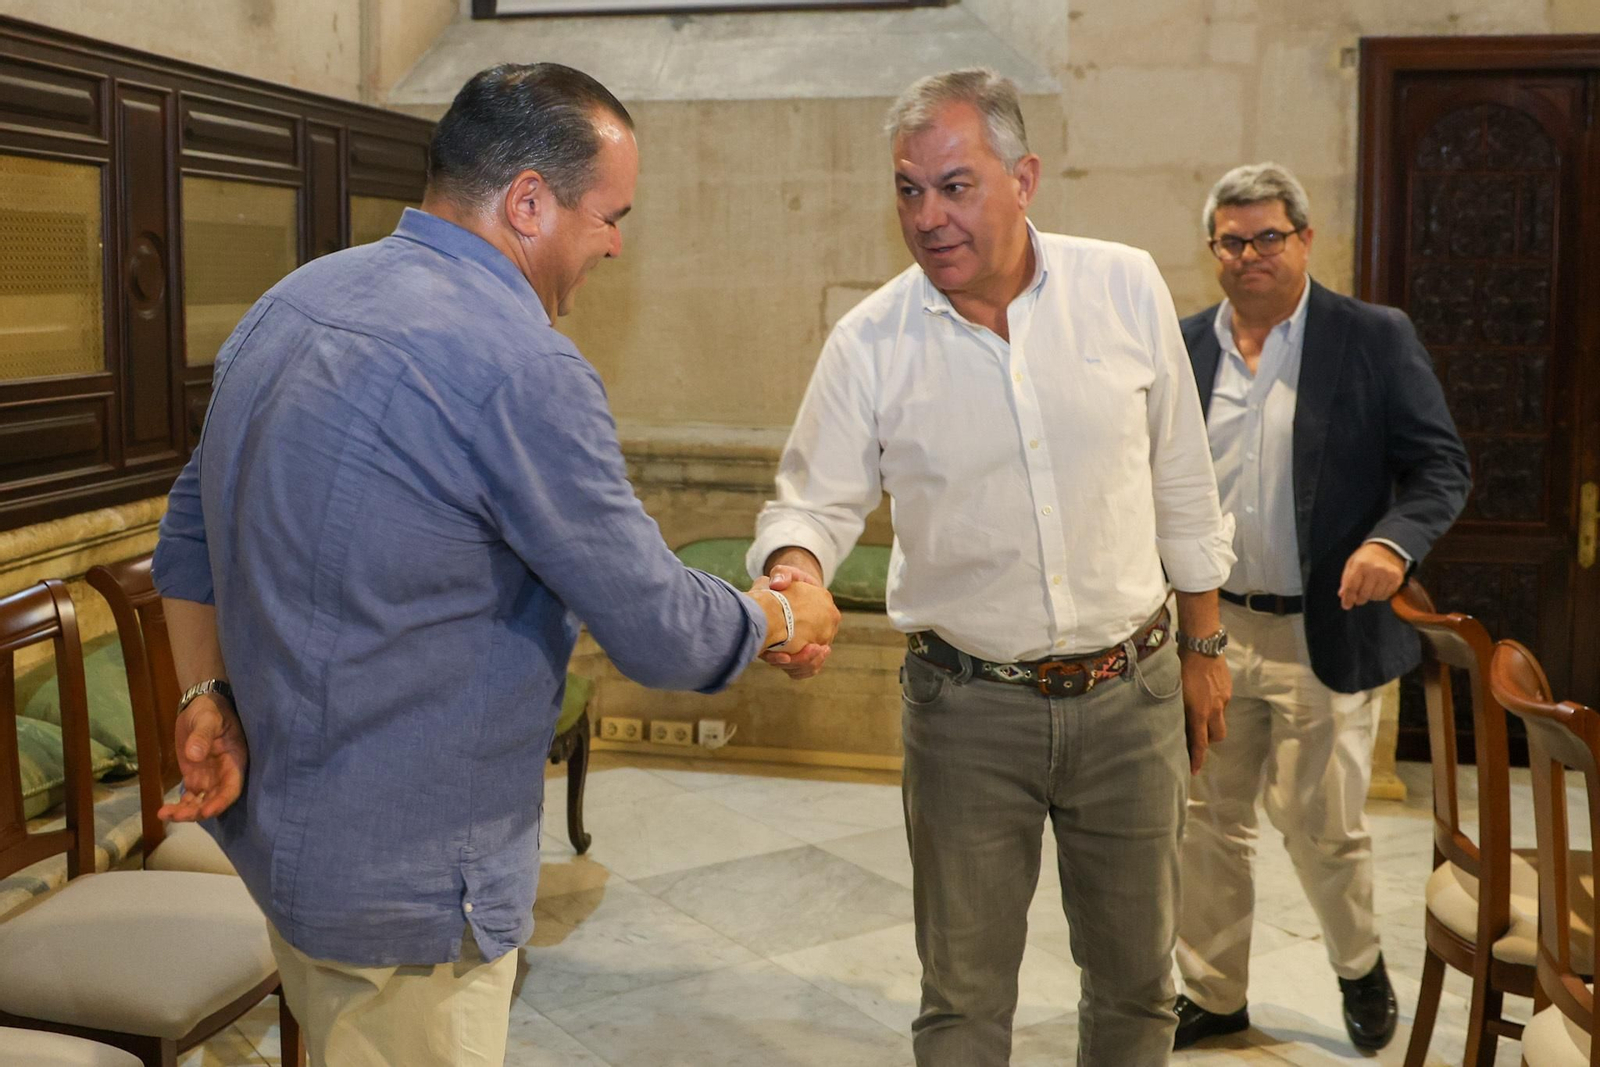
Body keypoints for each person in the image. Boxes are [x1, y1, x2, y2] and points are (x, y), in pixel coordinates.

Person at [151, 63, 839, 1067]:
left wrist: (204, 689)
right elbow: (656, 625)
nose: (613, 241)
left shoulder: (291, 302)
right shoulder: (522, 365)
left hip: (292, 857)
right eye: (609, 215)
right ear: (526, 200)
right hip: (410, 893)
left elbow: (187, 535)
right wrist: (783, 617)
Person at [749, 68, 1236, 1066]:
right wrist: (796, 571)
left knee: (1138, 986)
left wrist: (1204, 643)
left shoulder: (1123, 284)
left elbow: (1183, 475)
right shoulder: (870, 342)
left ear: (1024, 178)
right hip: (967, 711)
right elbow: (811, 499)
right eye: (907, 189)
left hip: (1130, 696)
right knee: (963, 1002)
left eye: (954, 185)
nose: (926, 217)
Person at [1171, 162, 1471, 1052]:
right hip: (1211, 628)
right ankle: (1215, 993)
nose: (1249, 253)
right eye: (1232, 239)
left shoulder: (1371, 337)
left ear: (1305, 239)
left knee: (1320, 820)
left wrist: (1392, 542)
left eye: (1268, 236)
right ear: (1213, 250)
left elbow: (1440, 466)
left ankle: (1359, 964)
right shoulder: (1184, 345)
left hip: (1322, 628)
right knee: (1206, 821)